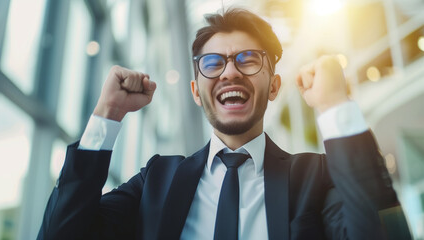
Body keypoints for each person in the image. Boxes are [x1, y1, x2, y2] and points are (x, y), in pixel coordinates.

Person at [38, 8, 411, 240]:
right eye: (213, 64)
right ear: (196, 92)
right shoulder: (157, 179)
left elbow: (385, 233)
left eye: (248, 60)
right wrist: (106, 116)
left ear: (275, 85)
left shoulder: (313, 178)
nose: (230, 71)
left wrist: (334, 106)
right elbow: (60, 234)